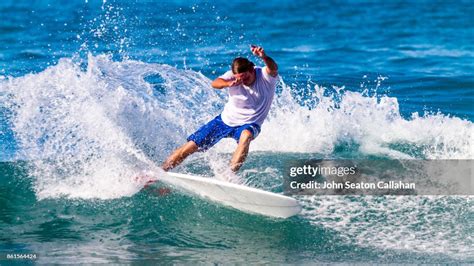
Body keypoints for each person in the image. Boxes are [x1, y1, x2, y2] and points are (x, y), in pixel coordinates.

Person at [162, 45, 279, 173]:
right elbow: (215, 83)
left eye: (246, 77)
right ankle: (160, 172)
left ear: (252, 69)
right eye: (240, 78)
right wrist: (228, 83)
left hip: (250, 124)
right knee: (191, 146)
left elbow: (273, 68)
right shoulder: (233, 76)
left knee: (246, 136)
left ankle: (229, 175)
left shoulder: (265, 76)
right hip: (224, 121)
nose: (243, 81)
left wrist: (264, 57)